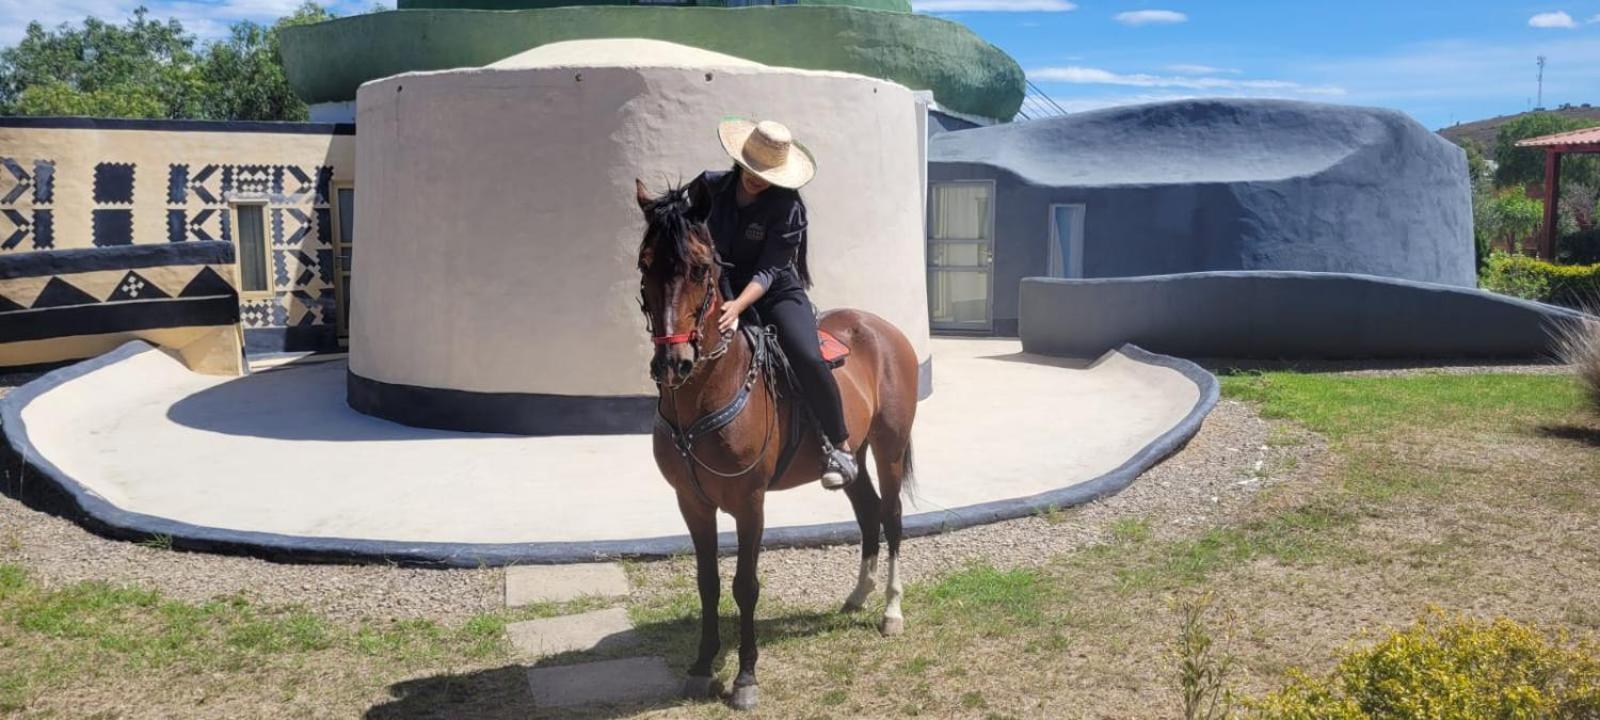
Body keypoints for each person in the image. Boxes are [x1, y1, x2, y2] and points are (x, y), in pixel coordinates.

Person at [688, 118, 857, 490]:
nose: (756, 178)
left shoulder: (788, 208)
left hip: (776, 292)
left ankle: (840, 445)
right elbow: (684, 229)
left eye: (766, 173)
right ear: (740, 161)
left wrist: (735, 307)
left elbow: (768, 270)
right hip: (722, 287)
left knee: (808, 357)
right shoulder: (709, 188)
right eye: (751, 169)